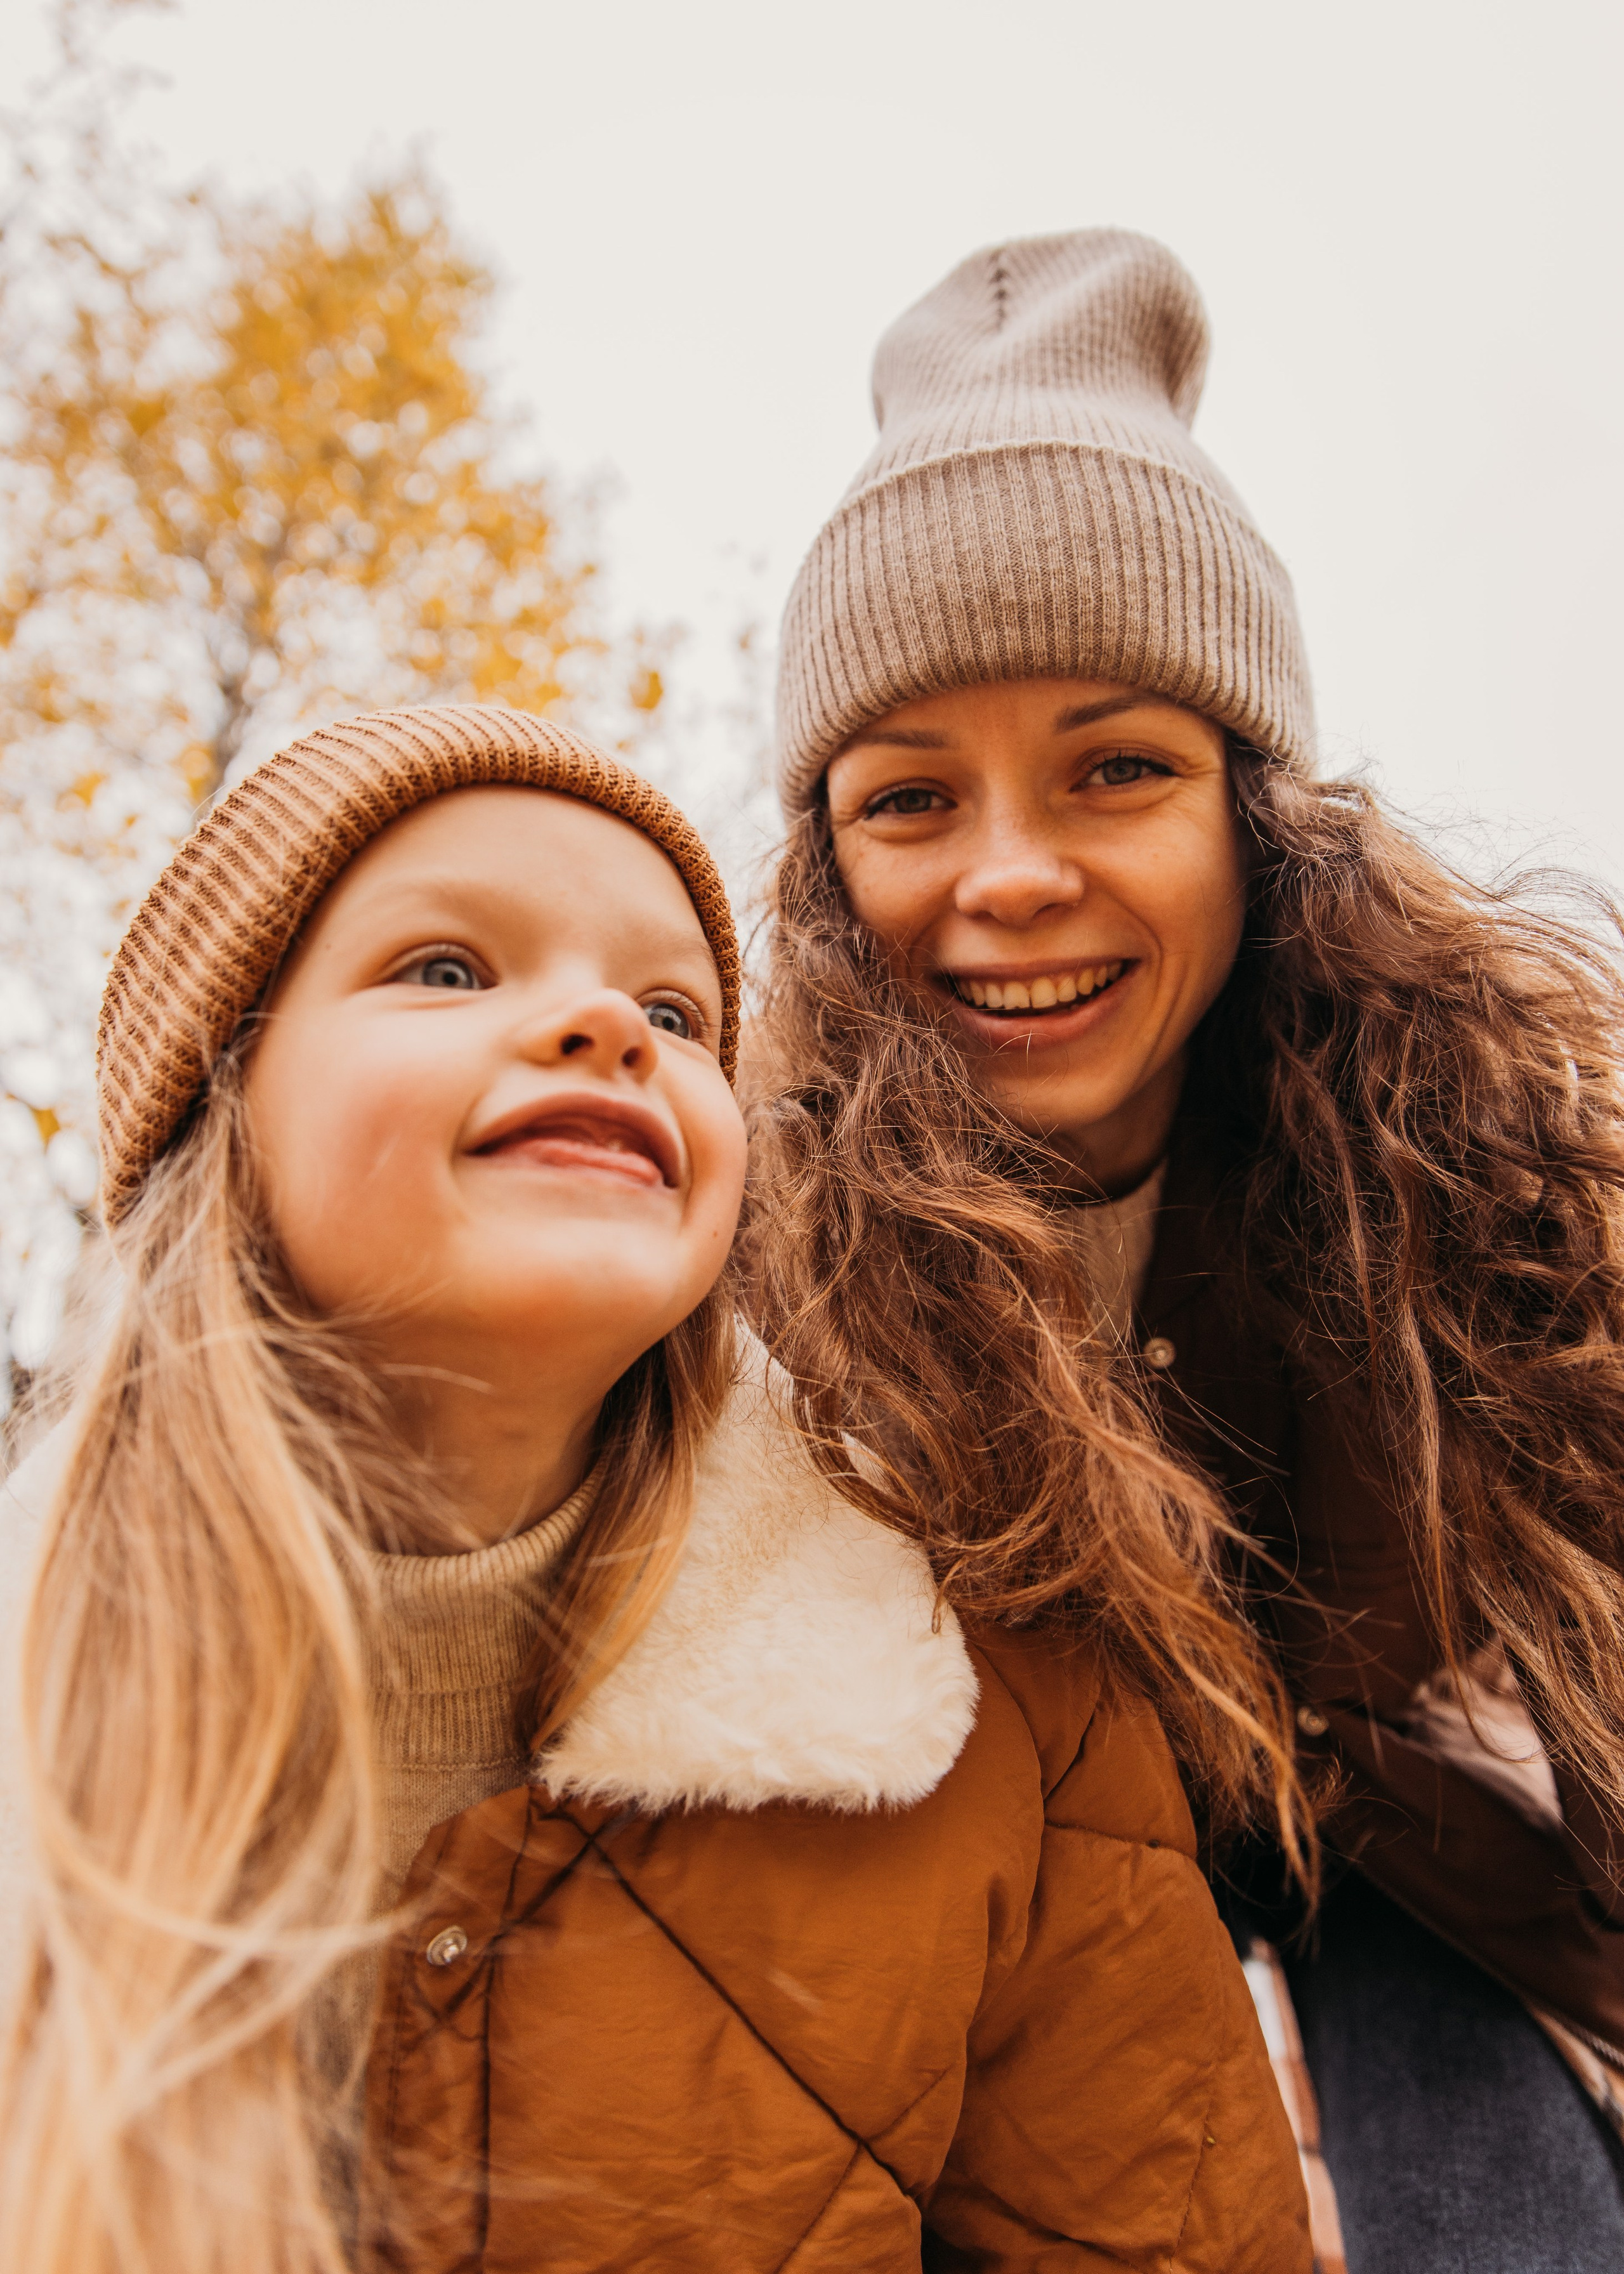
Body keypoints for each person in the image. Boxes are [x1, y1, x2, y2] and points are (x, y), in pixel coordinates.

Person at [0, 703, 1311, 2273]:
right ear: (220, 1110)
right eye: (445, 968)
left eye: (677, 1015)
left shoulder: (1004, 1704)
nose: (609, 1028)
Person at [749, 229, 1624, 2273]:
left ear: (1255, 808)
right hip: (961, 1965)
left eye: (1118, 767)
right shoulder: (750, 1266)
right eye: (908, 799)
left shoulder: (1470, 1177)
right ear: (821, 860)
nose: (1013, 875)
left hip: (1414, 1923)